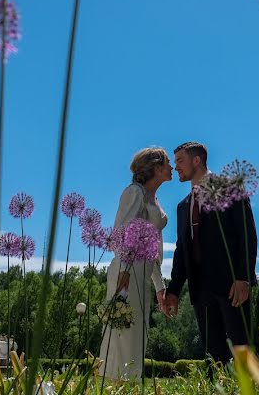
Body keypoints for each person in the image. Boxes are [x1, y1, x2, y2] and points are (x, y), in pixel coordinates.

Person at [163, 141, 258, 364]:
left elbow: (248, 235)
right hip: (201, 291)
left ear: (197, 161)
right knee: (213, 358)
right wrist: (174, 290)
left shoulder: (230, 190)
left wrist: (243, 277)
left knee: (242, 352)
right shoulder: (183, 206)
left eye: (180, 161)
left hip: (232, 287)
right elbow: (181, 249)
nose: (176, 167)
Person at [99, 147, 171, 380]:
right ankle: (113, 384)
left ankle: (129, 384)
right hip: (126, 274)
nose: (171, 168)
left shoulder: (154, 199)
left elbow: (152, 248)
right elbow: (120, 235)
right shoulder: (134, 193)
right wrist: (125, 274)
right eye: (168, 163)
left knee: (139, 334)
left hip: (143, 274)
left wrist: (159, 286)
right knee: (122, 334)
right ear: (156, 168)